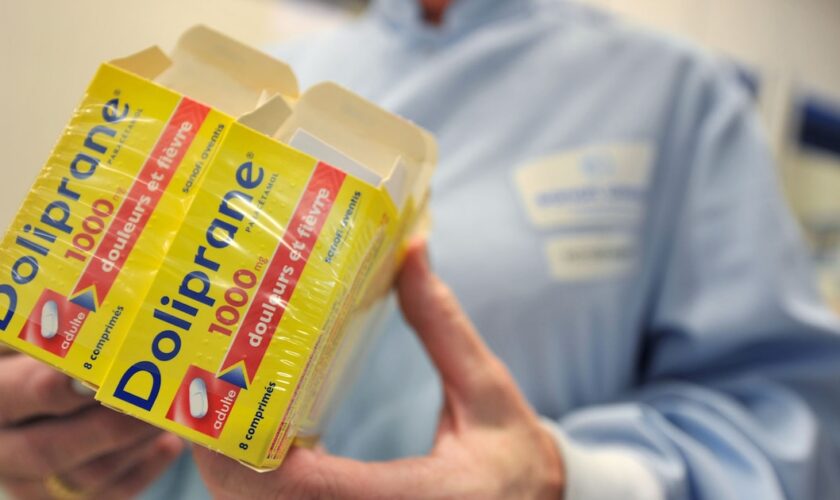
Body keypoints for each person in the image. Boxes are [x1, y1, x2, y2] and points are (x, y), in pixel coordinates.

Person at [2, 0, 839, 498]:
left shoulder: (678, 98)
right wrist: (63, 451)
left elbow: (793, 432)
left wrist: (556, 477)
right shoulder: (283, 83)